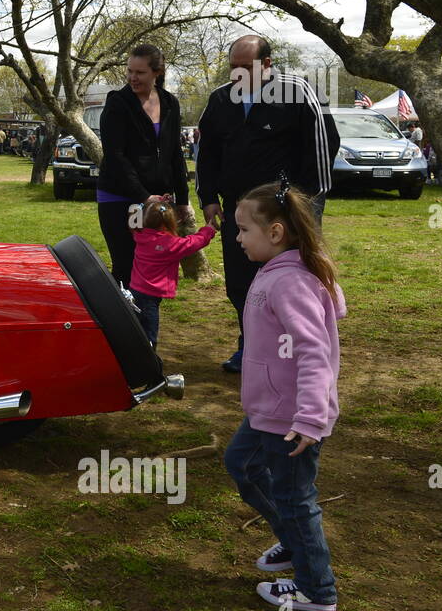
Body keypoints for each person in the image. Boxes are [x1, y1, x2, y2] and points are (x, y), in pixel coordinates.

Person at [224, 177, 345, 611]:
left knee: (297, 499)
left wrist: (311, 419)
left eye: (243, 230)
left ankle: (317, 589)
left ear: (275, 233)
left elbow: (315, 352)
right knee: (241, 464)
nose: (236, 238)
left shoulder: (290, 281)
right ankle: (294, 544)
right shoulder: (277, 271)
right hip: (269, 410)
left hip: (293, 420)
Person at [196, 34, 338, 373]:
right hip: (237, 209)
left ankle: (294, 350)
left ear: (268, 64)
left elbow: (323, 143)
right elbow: (207, 152)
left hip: (285, 211)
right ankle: (251, 347)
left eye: (246, 67)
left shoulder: (297, 92)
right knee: (241, 284)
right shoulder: (220, 100)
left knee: (289, 283)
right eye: (233, 67)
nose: (237, 74)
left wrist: (305, 204)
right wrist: (208, 198)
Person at [96, 44, 190, 289]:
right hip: (120, 197)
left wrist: (182, 199)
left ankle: (146, 323)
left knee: (154, 264)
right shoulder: (117, 104)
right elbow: (116, 156)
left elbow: (174, 154)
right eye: (129, 71)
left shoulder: (170, 103)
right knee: (126, 265)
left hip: (158, 199)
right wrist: (143, 197)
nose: (132, 78)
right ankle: (124, 323)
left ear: (157, 73)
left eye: (140, 73)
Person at [129, 199, 216, 346]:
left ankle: (136, 355)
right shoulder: (168, 244)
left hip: (135, 290)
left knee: (138, 329)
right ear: (166, 224)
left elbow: (134, 217)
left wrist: (152, 205)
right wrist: (208, 230)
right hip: (150, 296)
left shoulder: (139, 234)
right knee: (149, 334)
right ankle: (149, 363)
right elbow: (192, 243)